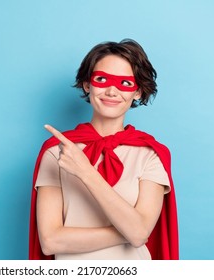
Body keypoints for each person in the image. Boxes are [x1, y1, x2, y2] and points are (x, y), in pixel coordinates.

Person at [29, 39, 179, 260]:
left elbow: (139, 235)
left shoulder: (151, 155)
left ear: (137, 92)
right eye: (102, 79)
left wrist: (86, 172)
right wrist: (129, 230)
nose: (111, 91)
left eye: (125, 83)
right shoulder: (58, 151)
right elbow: (51, 241)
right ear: (87, 85)